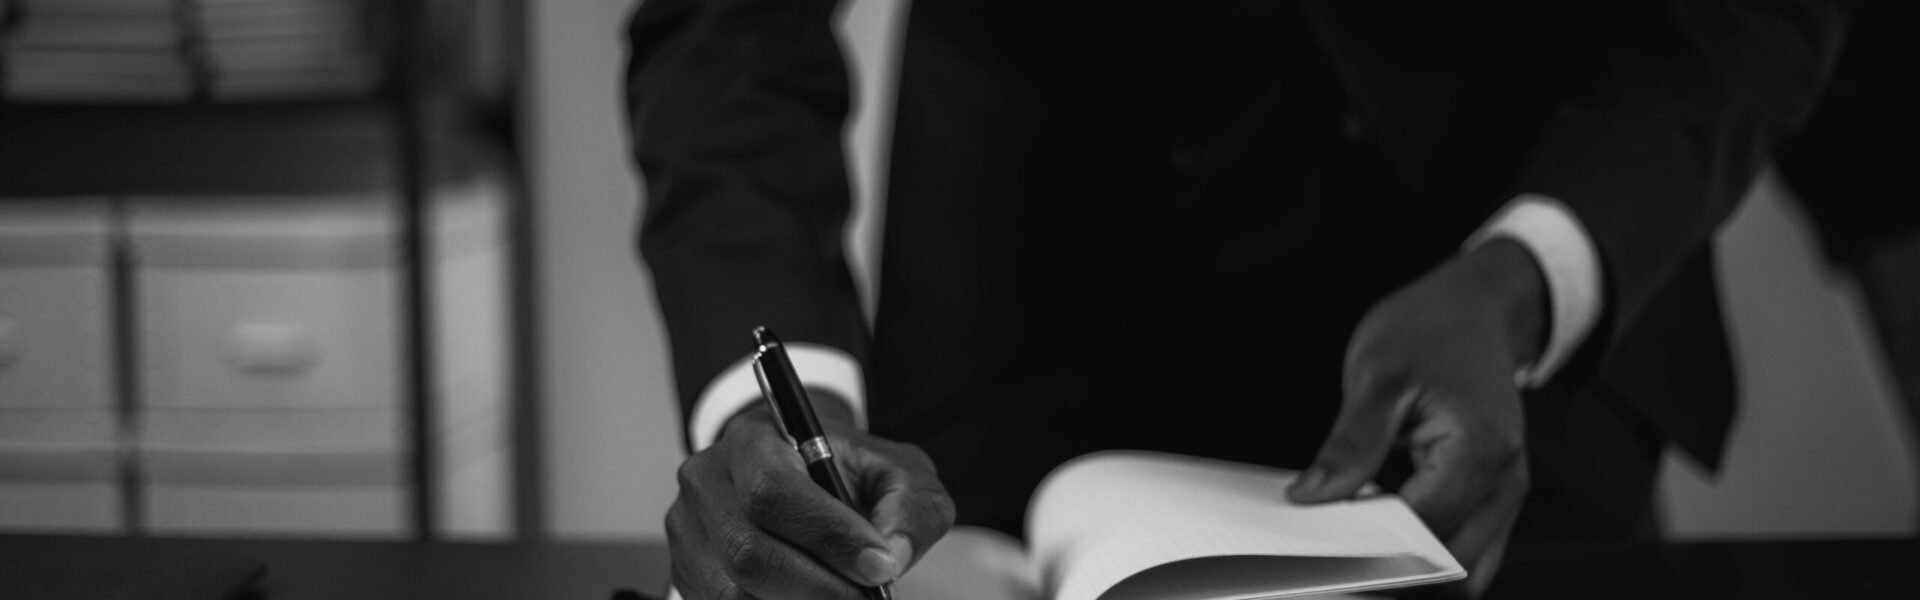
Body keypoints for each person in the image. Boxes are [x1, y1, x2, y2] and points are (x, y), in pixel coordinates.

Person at [625, 1, 1849, 598]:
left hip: (1498, 303)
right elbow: (730, 25)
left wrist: (1530, 272)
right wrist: (778, 414)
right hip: (1028, 268)